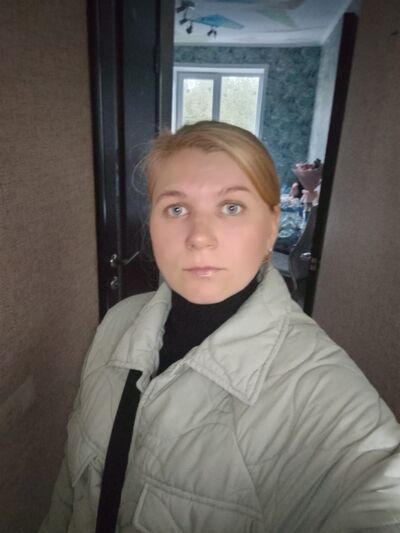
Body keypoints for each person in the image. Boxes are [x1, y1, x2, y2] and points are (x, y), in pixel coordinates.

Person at [40, 121, 400, 533]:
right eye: (176, 209)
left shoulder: (328, 393)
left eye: (231, 207)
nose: (199, 237)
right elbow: (70, 491)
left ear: (271, 227)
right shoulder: (118, 321)